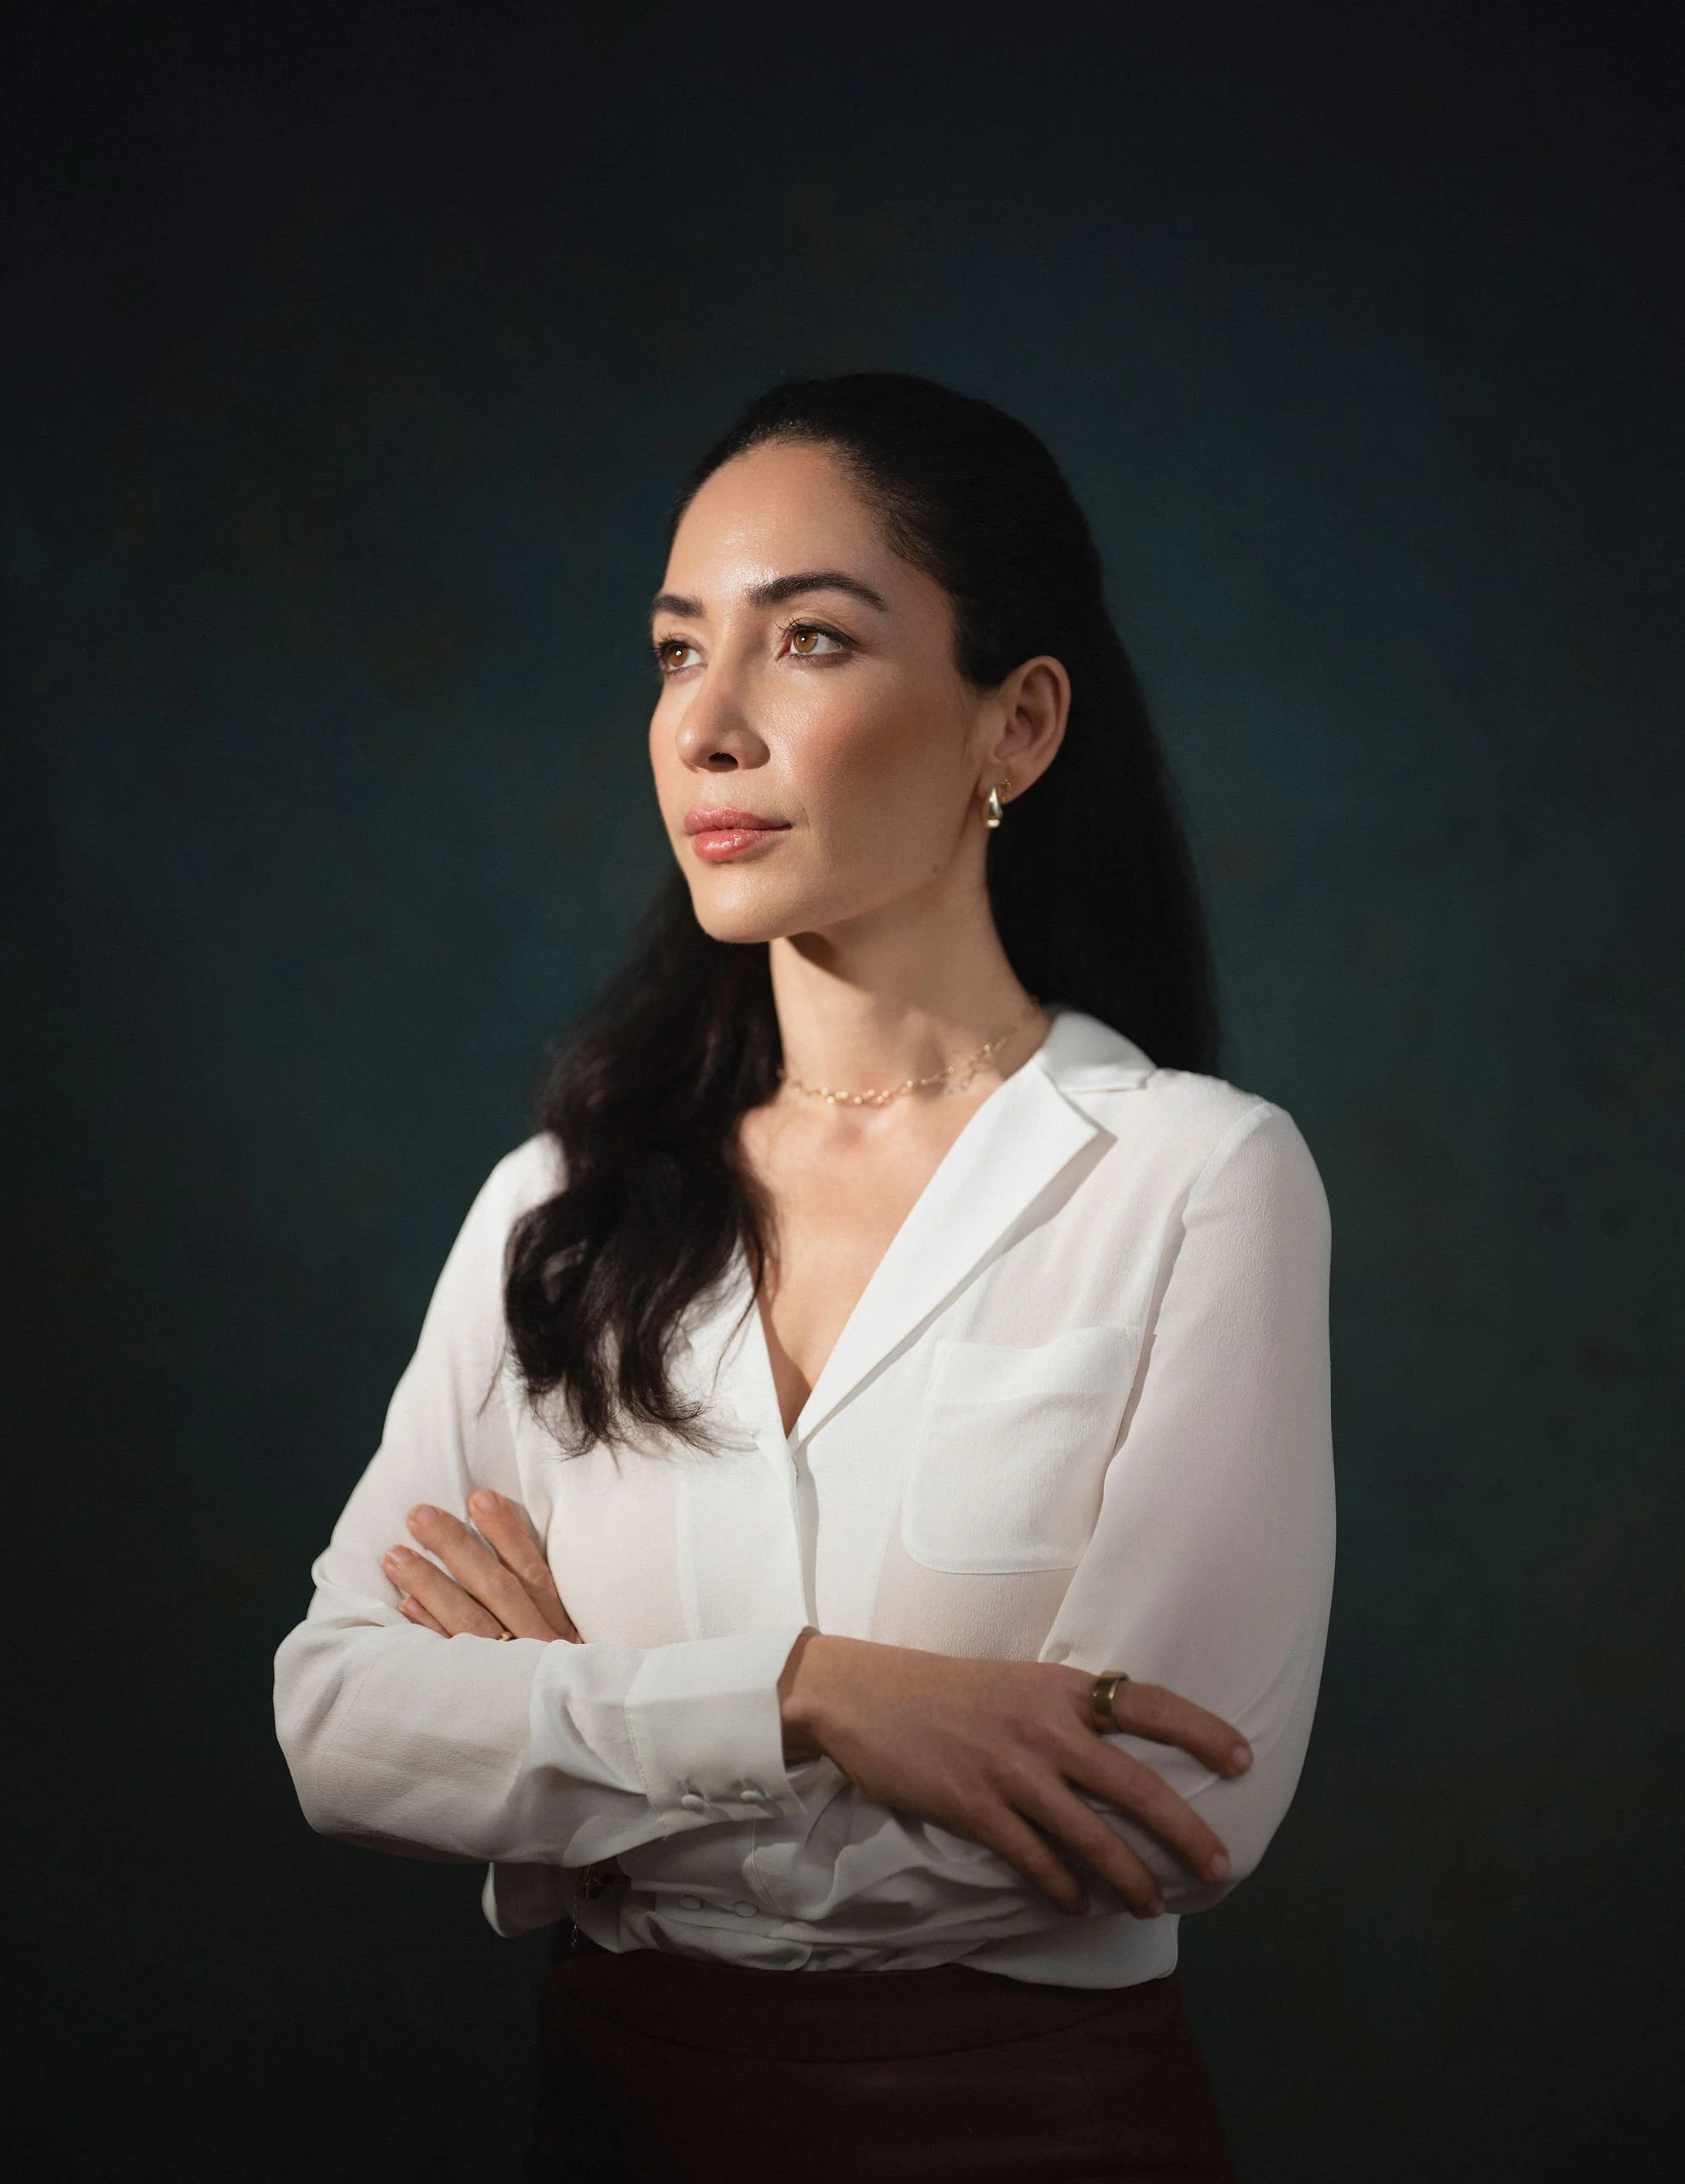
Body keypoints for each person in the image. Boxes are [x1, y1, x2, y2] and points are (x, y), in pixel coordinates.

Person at [273, 373, 1334, 2182]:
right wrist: (808, 1693)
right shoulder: (557, 1209)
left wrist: (577, 1750)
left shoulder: (1194, 1178)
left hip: (1031, 2132)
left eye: (811, 641)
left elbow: (1169, 1805)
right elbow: (342, 1721)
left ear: (1015, 724)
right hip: (611, 2119)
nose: (709, 724)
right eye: (677, 654)